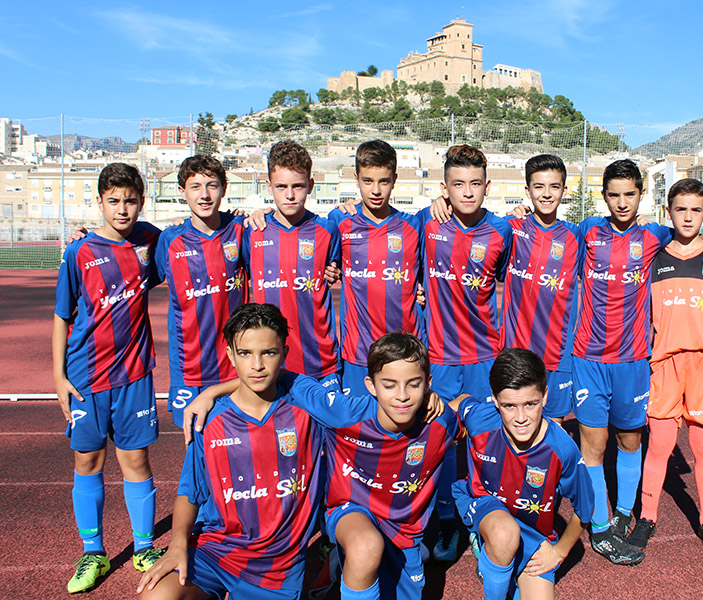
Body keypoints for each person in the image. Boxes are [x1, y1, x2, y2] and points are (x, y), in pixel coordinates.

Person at [183, 333, 456, 600]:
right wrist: (213, 391)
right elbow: (280, 375)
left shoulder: (442, 422)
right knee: (365, 546)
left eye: (414, 384)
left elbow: (469, 409)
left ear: (427, 383)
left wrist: (441, 400)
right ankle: (350, 552)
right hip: (350, 511)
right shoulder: (340, 411)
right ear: (371, 386)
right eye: (389, 385)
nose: (402, 395)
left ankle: (340, 562)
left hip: (404, 530)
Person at [572, 159, 703, 565]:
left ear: (641, 196)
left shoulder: (653, 238)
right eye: (614, 194)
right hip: (596, 357)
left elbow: (694, 236)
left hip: (640, 360)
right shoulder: (587, 231)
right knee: (599, 445)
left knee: (644, 442)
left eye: (630, 193)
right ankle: (606, 522)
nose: (622, 202)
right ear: (604, 196)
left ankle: (646, 514)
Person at [136, 303, 323, 599]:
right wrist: (175, 546)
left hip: (277, 565)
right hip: (216, 551)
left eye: (268, 353)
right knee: (156, 595)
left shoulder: (309, 412)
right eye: (246, 354)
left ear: (284, 355)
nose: (257, 365)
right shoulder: (210, 421)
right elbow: (190, 491)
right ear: (231, 356)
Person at [53, 163, 164, 593]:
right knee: (88, 461)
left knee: (136, 461)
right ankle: (93, 553)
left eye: (131, 200)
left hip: (135, 375)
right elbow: (63, 316)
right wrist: (58, 377)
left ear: (142, 202)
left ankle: (143, 546)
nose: (123, 209)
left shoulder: (150, 243)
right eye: (113, 201)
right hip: (86, 377)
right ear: (99, 201)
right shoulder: (78, 252)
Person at [627, 178, 703, 556]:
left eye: (696, 210)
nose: (688, 216)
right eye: (681, 209)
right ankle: (646, 519)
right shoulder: (654, 258)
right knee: (659, 445)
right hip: (663, 365)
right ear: (668, 212)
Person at [417, 144, 513, 560]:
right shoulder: (426, 222)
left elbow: (508, 278)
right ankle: (447, 521)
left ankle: (480, 518)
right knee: (440, 440)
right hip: (438, 357)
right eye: (458, 185)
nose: (468, 192)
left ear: (487, 186)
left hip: (484, 357)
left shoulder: (502, 232)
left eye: (476, 184)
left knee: (484, 440)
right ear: (444, 188)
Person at [450, 348, 593, 600]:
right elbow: (461, 403)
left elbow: (585, 508)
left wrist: (559, 551)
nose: (520, 418)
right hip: (485, 506)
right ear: (494, 400)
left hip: (532, 534)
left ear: (545, 396)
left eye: (530, 404)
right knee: (504, 536)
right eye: (509, 406)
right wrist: (437, 411)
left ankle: (496, 559)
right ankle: (491, 558)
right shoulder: (482, 419)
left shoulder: (562, 450)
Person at [325, 140, 425, 396]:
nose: (376, 190)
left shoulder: (414, 226)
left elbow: (427, 278)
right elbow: (326, 265)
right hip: (358, 352)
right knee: (361, 425)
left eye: (384, 181)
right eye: (368, 181)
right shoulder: (339, 221)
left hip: (407, 350)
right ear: (356, 179)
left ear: (394, 179)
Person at [154, 155, 248, 427]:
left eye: (212, 185)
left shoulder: (241, 230)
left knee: (236, 443)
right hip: (189, 368)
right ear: (182, 192)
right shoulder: (169, 241)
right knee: (194, 445)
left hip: (235, 364)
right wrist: (88, 236)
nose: (204, 195)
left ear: (224, 189)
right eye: (195, 186)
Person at [243, 140, 341, 391]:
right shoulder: (252, 231)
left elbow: (337, 269)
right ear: (268, 186)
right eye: (281, 186)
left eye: (297, 186)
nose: (289, 194)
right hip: (269, 364)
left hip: (320, 361)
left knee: (326, 430)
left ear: (310, 185)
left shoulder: (327, 230)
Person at [501, 154, 580, 424]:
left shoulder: (577, 237)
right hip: (516, 350)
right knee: (516, 424)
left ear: (564, 191)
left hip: (558, 353)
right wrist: (439, 204)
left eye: (554, 187)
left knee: (553, 427)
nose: (546, 194)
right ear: (527, 190)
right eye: (539, 187)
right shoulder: (510, 228)